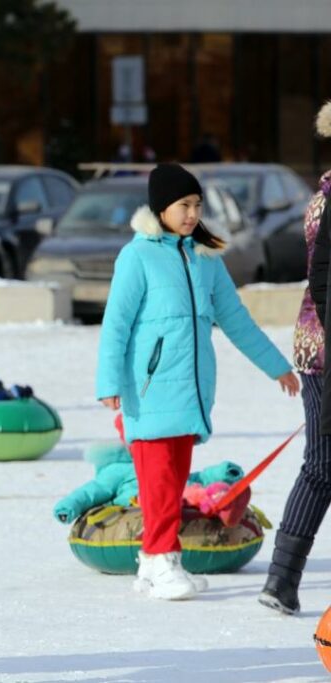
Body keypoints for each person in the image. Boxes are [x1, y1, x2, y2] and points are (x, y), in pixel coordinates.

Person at [96, 163, 298, 601]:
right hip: (149, 390)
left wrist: (276, 365)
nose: (192, 214)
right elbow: (116, 324)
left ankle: (153, 563)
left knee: (175, 476)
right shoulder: (138, 256)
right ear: (160, 208)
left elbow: (236, 320)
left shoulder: (206, 258)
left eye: (196, 205)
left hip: (191, 391)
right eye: (183, 205)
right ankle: (164, 556)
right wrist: (108, 381)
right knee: (159, 480)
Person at [261, 101, 331, 615]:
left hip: (318, 344)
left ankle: (281, 581)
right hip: (325, 348)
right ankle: (281, 579)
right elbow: (324, 280)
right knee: (324, 465)